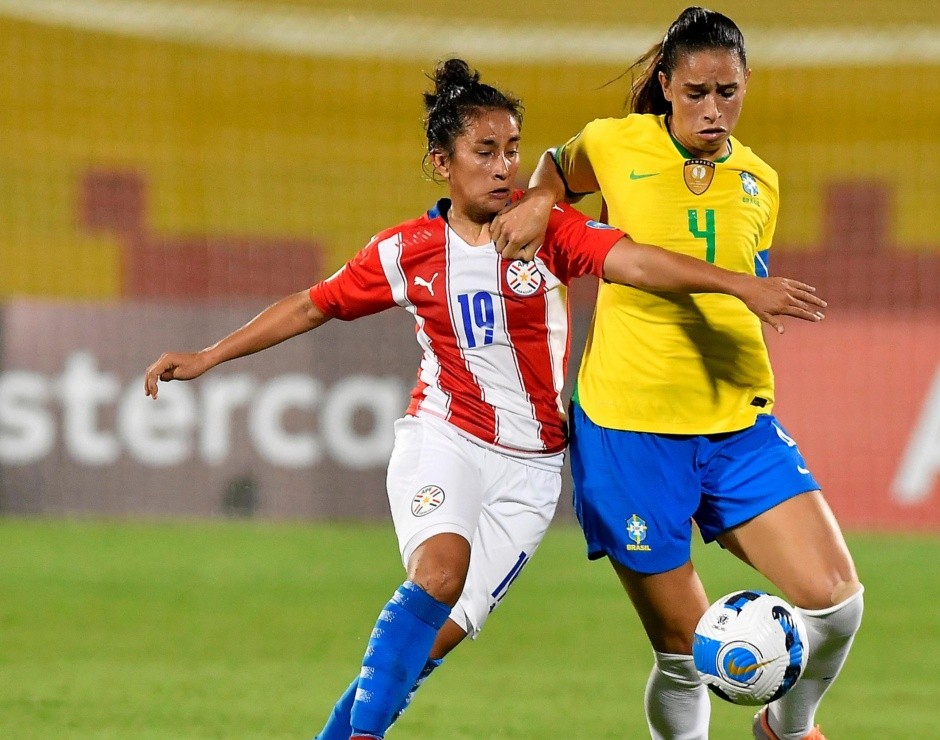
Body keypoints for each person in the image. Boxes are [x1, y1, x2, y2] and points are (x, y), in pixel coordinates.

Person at [143, 58, 825, 740]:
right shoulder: (406, 251)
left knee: (424, 648)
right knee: (439, 572)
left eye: (513, 150)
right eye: (485, 152)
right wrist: (207, 357)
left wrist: (740, 285)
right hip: (446, 437)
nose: (505, 168)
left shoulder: (547, 231)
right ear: (443, 163)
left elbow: (639, 262)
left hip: (529, 471)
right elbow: (310, 306)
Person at [491, 8, 863, 740]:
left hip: (735, 424)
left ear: (747, 85)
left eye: (728, 91)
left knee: (837, 604)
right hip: (630, 432)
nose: (712, 109)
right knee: (685, 657)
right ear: (664, 85)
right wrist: (540, 200)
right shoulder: (612, 142)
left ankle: (787, 727)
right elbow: (559, 174)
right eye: (695, 91)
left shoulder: (761, 179)